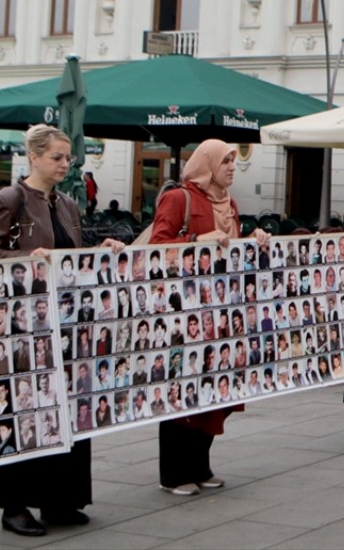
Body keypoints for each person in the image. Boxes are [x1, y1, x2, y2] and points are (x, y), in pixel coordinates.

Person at [0, 124, 123, 538]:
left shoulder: (67, 204)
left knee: (67, 407)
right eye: (57, 156)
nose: (64, 163)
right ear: (34, 156)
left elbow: (68, 258)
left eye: (67, 157)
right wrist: (26, 255)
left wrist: (99, 250)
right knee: (25, 408)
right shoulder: (9, 200)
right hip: (24, 324)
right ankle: (14, 504)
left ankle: (60, 498)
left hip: (65, 320)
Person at [149, 139, 267, 496]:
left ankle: (199, 465)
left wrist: (253, 238)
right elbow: (157, 247)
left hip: (222, 311)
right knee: (183, 390)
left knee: (216, 389)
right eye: (226, 161)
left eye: (234, 161)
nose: (232, 166)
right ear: (207, 164)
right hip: (187, 312)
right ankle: (173, 473)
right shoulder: (178, 198)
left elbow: (228, 249)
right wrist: (198, 238)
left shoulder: (228, 202)